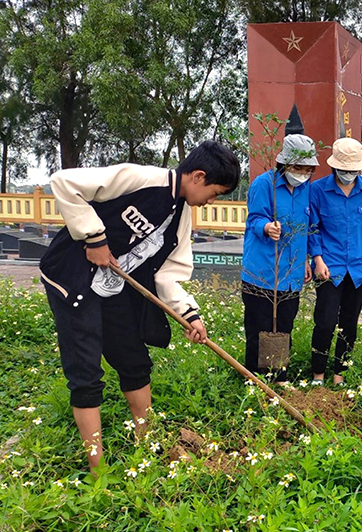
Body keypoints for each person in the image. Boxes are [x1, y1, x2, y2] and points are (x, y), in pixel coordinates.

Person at [40, 140, 240, 469]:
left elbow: (167, 273)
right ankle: (98, 470)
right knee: (86, 372)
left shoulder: (183, 216)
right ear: (198, 177)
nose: (211, 201)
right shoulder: (142, 178)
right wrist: (95, 238)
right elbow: (64, 182)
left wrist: (189, 314)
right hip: (72, 278)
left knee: (134, 360)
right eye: (215, 193)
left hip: (115, 287)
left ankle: (145, 444)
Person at [241, 134, 318, 384]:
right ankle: (255, 378)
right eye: (298, 168)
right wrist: (266, 227)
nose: (303, 174)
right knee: (259, 328)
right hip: (261, 271)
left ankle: (279, 378)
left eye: (308, 169)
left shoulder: (308, 190)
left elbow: (308, 228)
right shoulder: (264, 185)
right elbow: (254, 219)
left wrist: (306, 259)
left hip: (291, 273)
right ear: (284, 164)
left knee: (284, 325)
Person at [309, 138, 362, 386]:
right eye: (344, 170)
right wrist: (317, 259)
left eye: (353, 170)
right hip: (329, 268)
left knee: (349, 324)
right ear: (334, 167)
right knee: (325, 322)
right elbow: (313, 228)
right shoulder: (318, 190)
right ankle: (318, 374)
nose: (348, 174)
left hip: (359, 269)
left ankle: (340, 374)